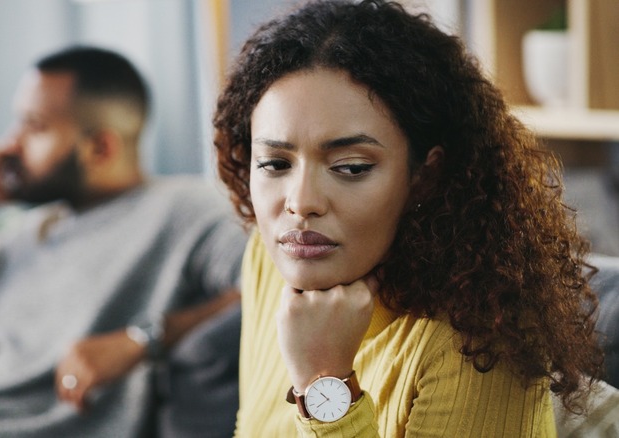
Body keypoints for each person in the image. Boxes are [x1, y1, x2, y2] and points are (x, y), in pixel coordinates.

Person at [212, 0, 606, 436]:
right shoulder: (270, 259)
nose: (301, 203)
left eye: (351, 168)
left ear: (424, 175)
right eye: (274, 164)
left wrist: (324, 382)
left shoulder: (479, 341)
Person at [0, 46, 247, 437]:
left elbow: (265, 287)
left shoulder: (185, 210)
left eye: (34, 126)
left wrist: (143, 339)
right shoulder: (29, 232)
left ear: (100, 147)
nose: (10, 143)